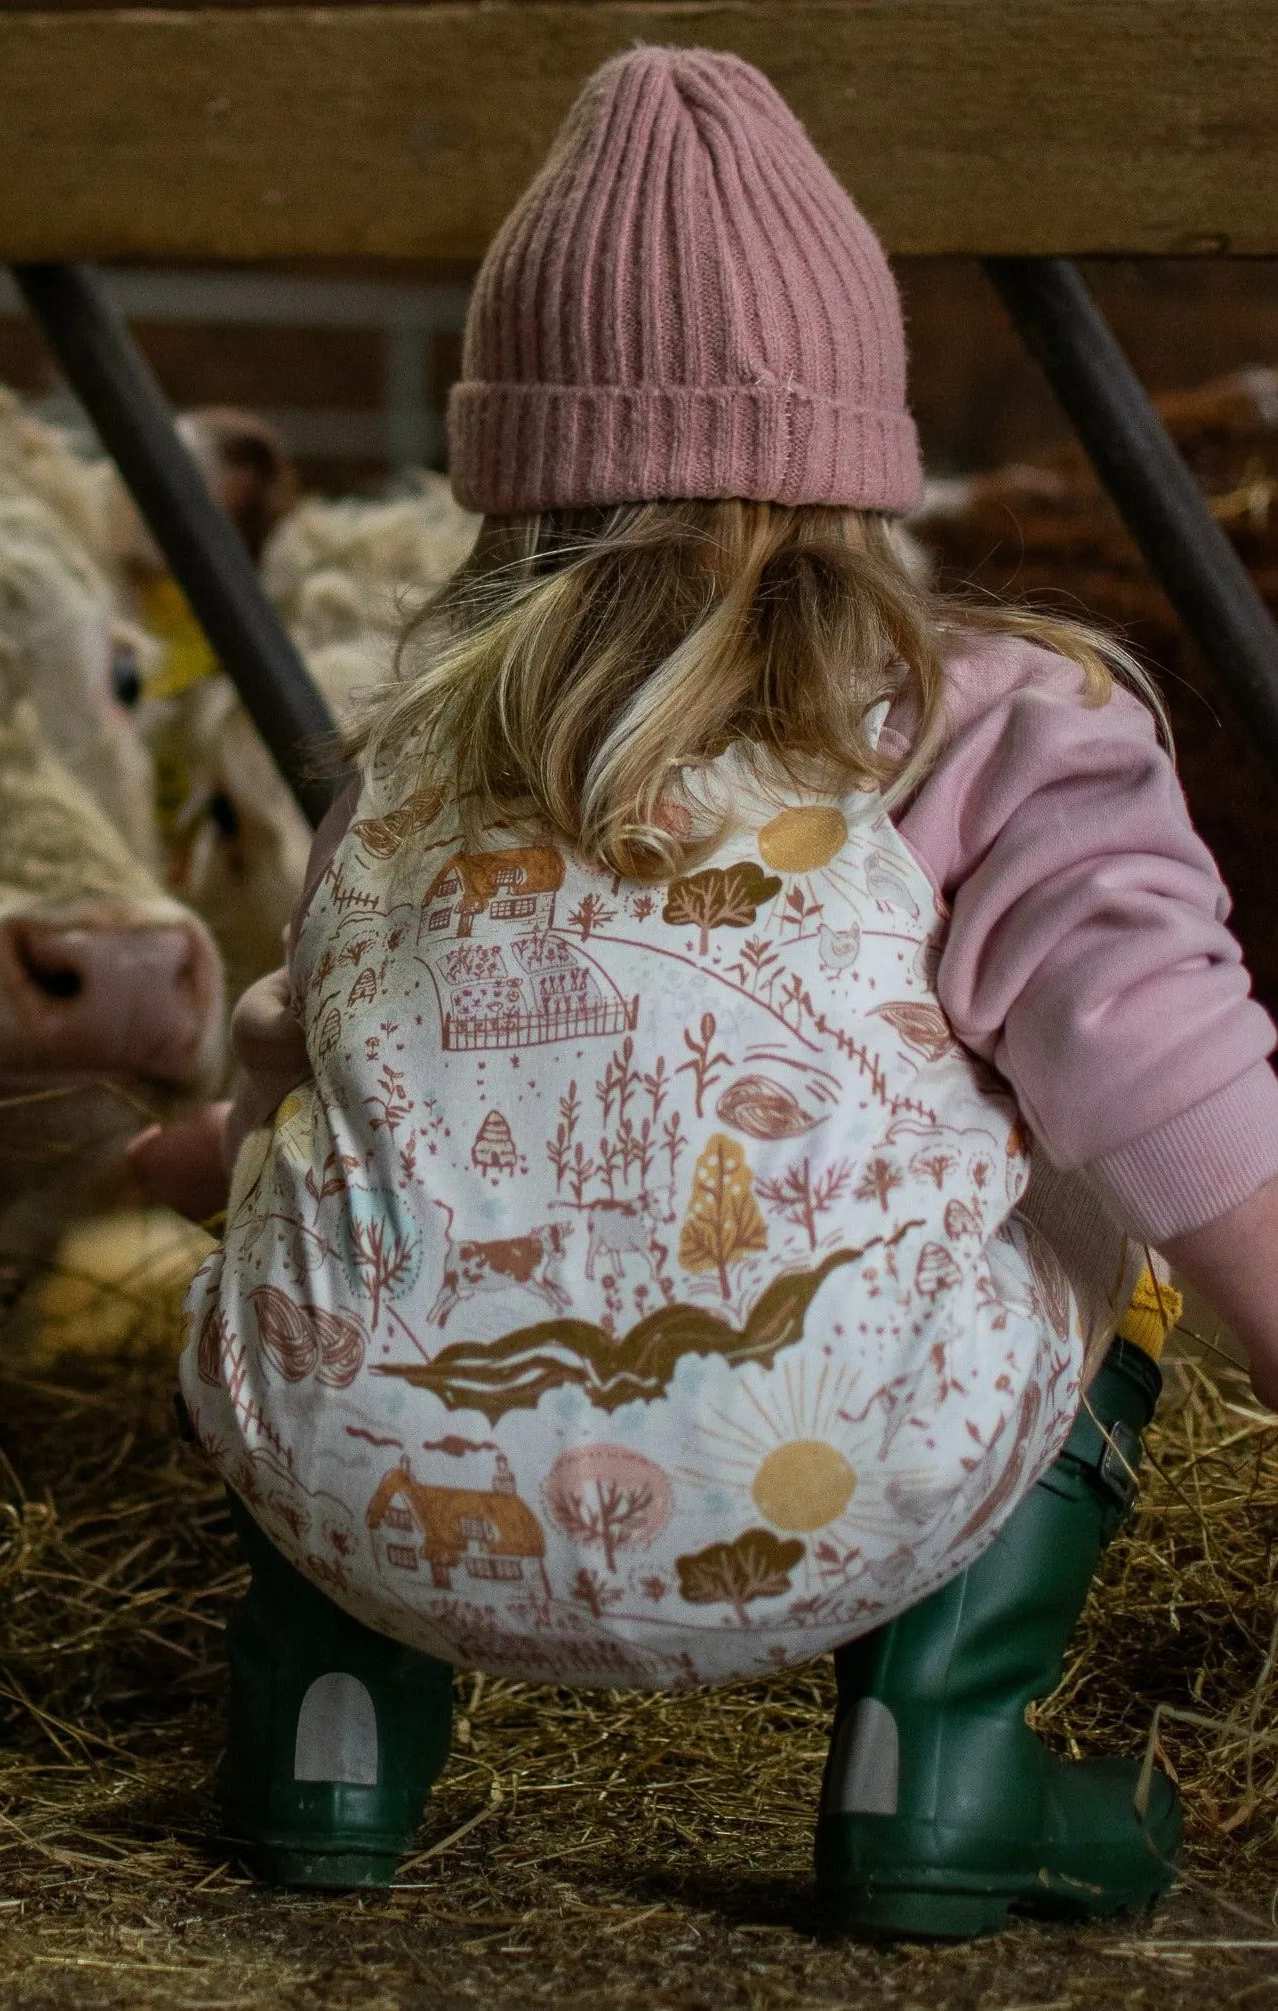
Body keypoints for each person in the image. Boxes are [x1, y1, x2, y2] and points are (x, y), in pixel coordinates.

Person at [131, 45, 1278, 1941]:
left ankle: (325, 1737)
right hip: (853, 1479)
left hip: (363, 1491)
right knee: (1078, 1175)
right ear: (859, 446)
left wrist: (209, 1168)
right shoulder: (987, 719)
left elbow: (316, 1069)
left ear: (509, 465)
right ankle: (940, 1761)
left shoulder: (402, 769)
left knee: (355, 1201)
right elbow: (1154, 1055)